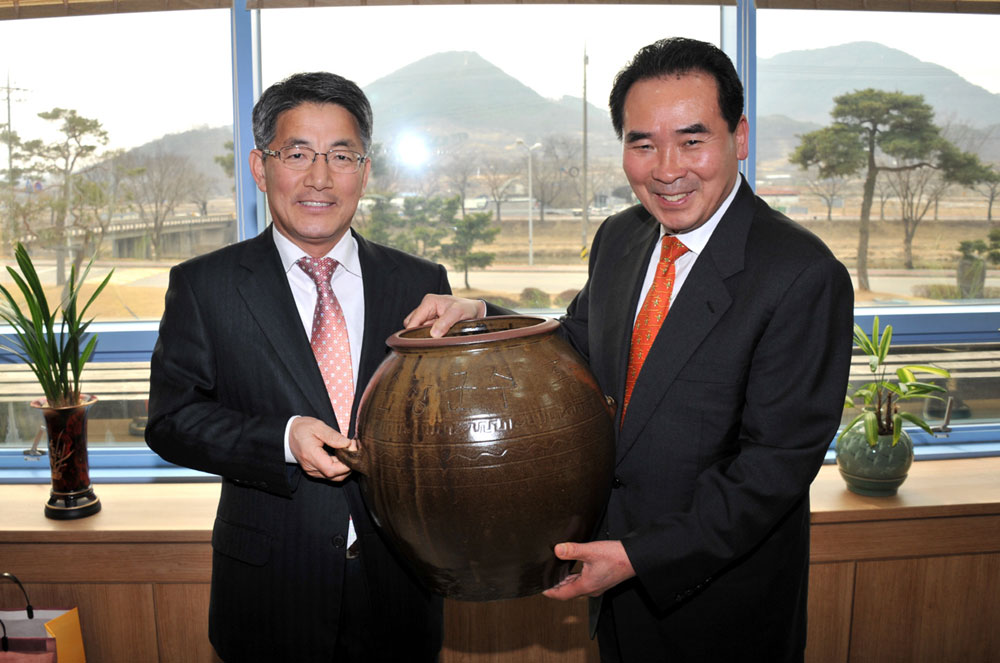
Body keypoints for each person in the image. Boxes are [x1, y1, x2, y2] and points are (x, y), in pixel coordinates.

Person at [405, 38, 854, 661]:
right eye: (642, 144)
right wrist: (483, 316)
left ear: (740, 137)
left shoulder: (801, 274)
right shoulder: (621, 237)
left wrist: (638, 556)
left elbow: (773, 468)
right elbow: (579, 346)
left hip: (717, 605)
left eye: (692, 141)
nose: (666, 169)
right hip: (612, 589)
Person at [146, 72, 447, 662]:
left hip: (400, 588)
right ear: (261, 168)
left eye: (341, 155)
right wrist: (282, 439)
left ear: (364, 171)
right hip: (269, 591)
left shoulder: (421, 283)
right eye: (298, 153)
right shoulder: (205, 286)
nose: (320, 177)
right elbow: (171, 421)